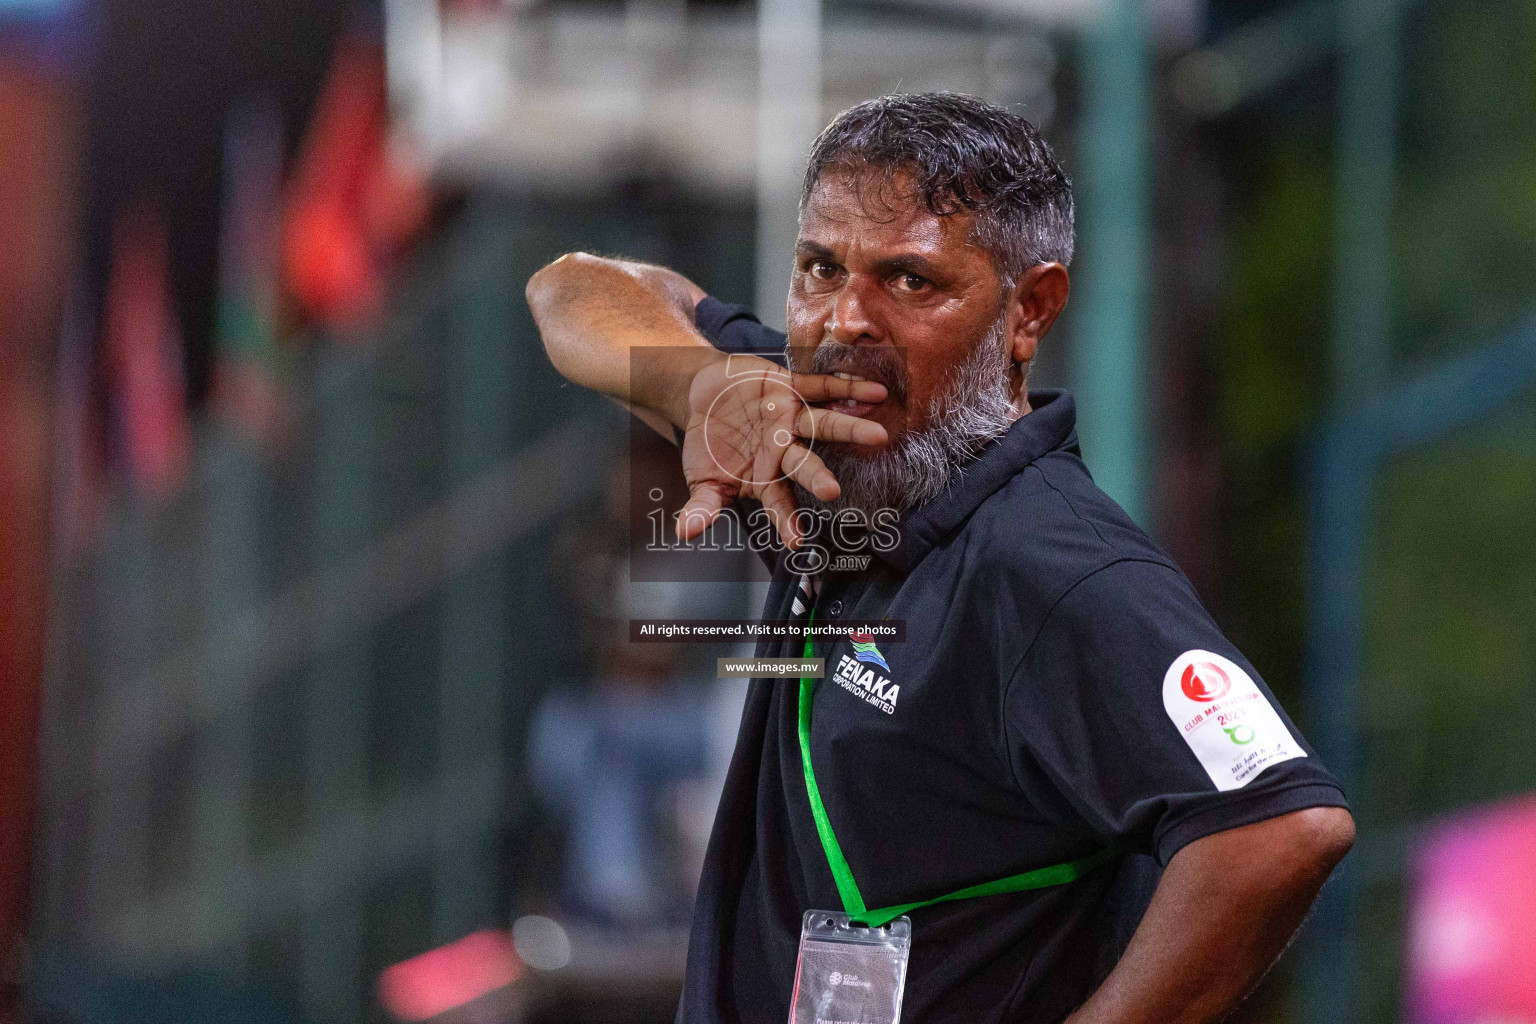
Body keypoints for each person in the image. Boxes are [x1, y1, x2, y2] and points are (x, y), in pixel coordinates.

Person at [525, 93, 1354, 1024]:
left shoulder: (1052, 564)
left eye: (911, 281)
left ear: (1029, 310)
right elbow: (568, 289)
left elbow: (1280, 830)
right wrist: (697, 379)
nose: (846, 318)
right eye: (818, 267)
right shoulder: (804, 426)